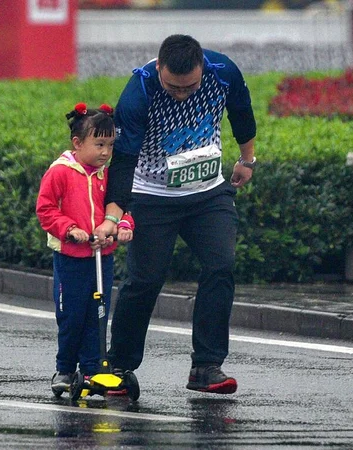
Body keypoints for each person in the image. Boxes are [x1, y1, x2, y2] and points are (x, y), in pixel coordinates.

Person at [95, 34, 257, 395]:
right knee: (145, 280)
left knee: (221, 266)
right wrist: (114, 212)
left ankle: (206, 366)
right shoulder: (139, 91)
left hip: (208, 192)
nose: (181, 93)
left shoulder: (223, 72)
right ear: (158, 67)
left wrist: (247, 160)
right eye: (173, 87)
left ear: (202, 67)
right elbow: (123, 160)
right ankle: (119, 365)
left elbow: (242, 112)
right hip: (152, 196)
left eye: (190, 86)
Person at [36, 103, 135, 394]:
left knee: (98, 312)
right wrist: (70, 229)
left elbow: (122, 204)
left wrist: (124, 226)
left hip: (101, 255)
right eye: (99, 144)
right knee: (72, 314)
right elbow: (46, 209)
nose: (105, 152)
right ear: (77, 143)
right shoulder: (61, 172)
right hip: (71, 257)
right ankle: (65, 368)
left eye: (110, 145)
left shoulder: (108, 175)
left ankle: (93, 369)